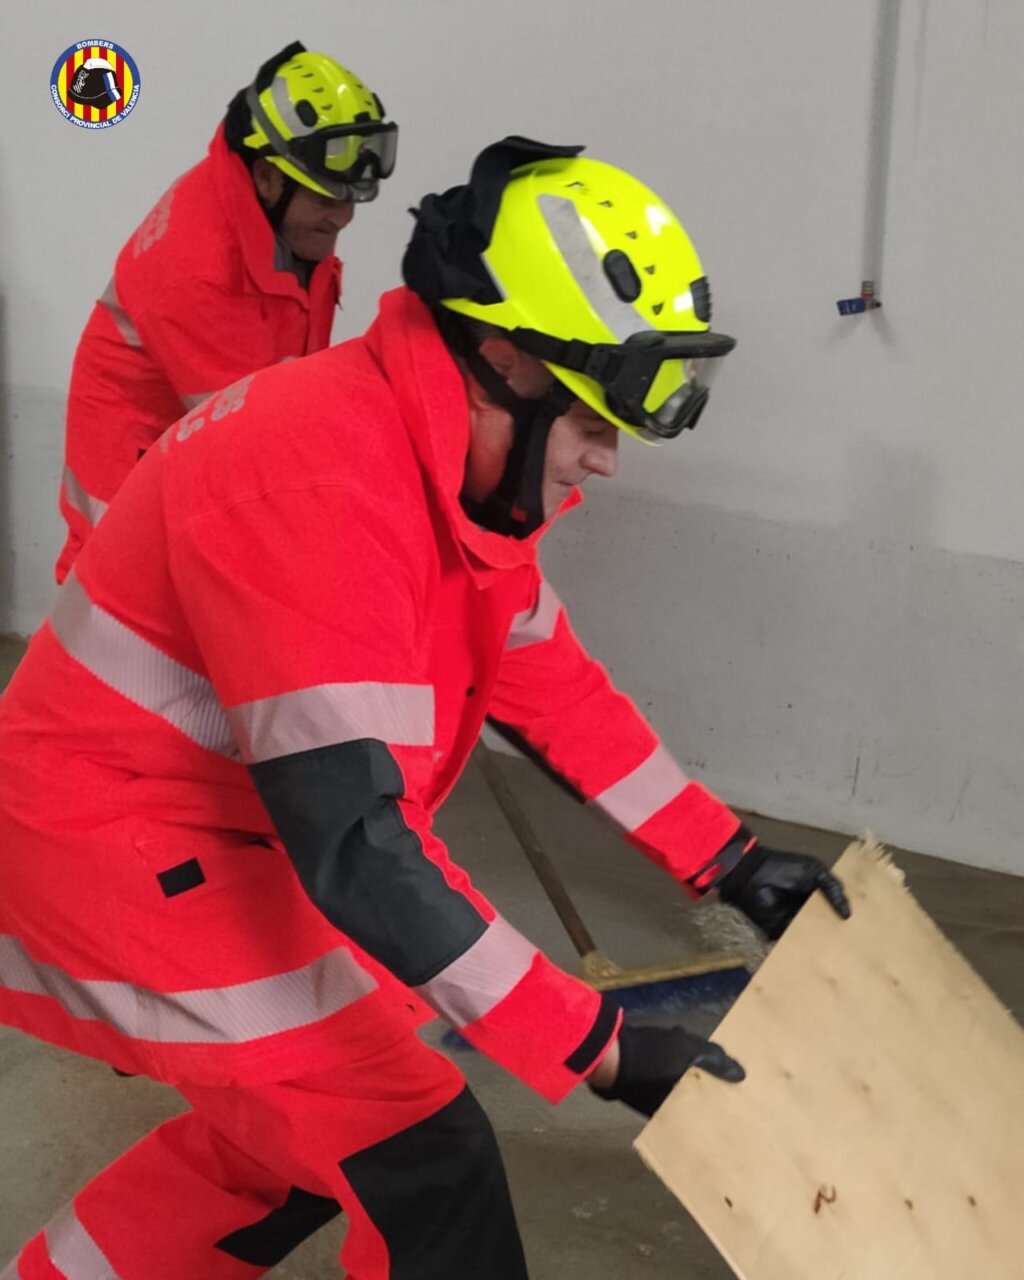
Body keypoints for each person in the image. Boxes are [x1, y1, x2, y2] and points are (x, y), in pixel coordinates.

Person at [0, 137, 849, 1277]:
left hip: (211, 833)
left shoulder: (439, 468)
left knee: (295, 1150)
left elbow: (547, 679)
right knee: (420, 1153)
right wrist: (599, 1045)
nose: (604, 462)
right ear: (504, 359)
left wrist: (730, 859)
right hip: (111, 845)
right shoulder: (319, 479)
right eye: (593, 422)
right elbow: (359, 845)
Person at [54, 40, 399, 583]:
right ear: (268, 176)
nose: (343, 218)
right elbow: (250, 441)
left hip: (197, 458)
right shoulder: (197, 270)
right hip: (133, 486)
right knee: (125, 612)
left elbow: (289, 386)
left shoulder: (285, 228)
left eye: (351, 199)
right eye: (325, 199)